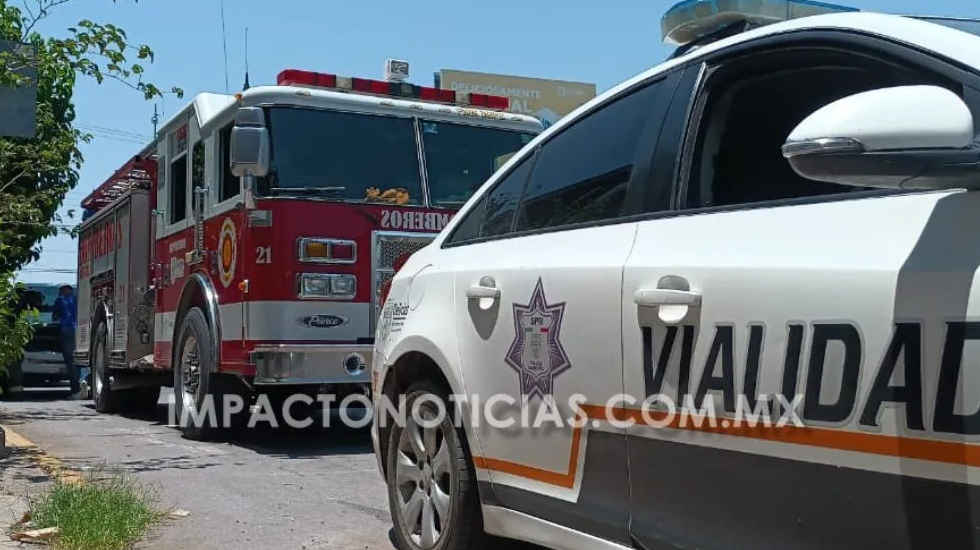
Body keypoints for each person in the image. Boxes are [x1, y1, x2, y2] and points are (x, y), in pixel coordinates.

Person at [52, 285, 79, 399]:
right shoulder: (77, 299)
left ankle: (75, 390)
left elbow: (55, 317)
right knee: (79, 361)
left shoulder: (60, 300)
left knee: (70, 361)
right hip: (81, 331)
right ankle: (82, 387)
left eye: (61, 291)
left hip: (67, 331)